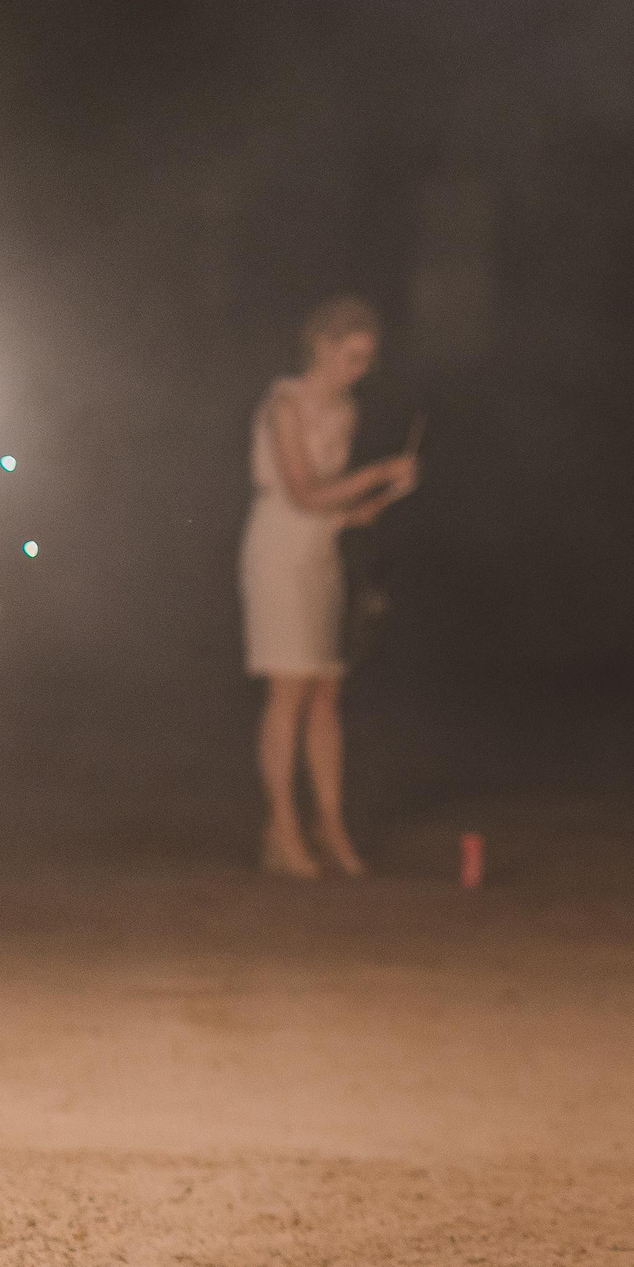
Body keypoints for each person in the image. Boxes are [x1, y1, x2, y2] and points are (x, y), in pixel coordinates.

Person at [239, 295, 416, 880]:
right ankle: (282, 827)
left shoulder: (347, 409)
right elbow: (302, 492)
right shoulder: (284, 403)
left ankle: (331, 824)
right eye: (350, 356)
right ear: (321, 347)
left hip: (318, 550)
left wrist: (374, 502)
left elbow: (332, 504)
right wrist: (375, 474)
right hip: (277, 549)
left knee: (326, 691)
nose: (358, 370)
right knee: (288, 686)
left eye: (367, 360)